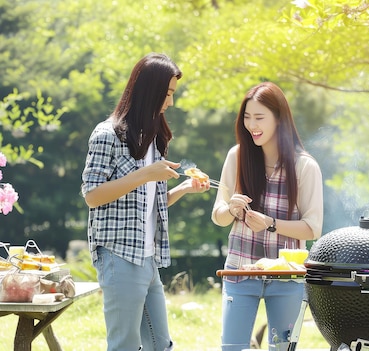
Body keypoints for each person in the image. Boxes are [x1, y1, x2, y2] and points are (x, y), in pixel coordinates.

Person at [81, 53, 210, 351]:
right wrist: (145, 174)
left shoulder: (152, 138)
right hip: (119, 257)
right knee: (125, 345)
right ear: (149, 91)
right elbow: (92, 195)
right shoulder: (107, 135)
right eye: (167, 94)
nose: (171, 102)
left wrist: (185, 189)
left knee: (159, 345)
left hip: (148, 258)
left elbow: (147, 203)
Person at [211, 82, 323, 351]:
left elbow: (312, 228)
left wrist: (271, 224)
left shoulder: (304, 166)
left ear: (279, 119)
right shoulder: (236, 156)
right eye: (247, 118)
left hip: (286, 277)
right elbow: (218, 216)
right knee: (232, 347)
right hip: (240, 270)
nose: (252, 125)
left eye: (259, 118)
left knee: (281, 349)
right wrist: (232, 209)